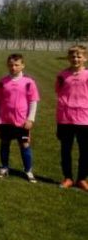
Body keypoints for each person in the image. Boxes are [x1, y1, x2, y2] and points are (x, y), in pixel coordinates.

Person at [0, 53, 39, 182]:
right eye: (11, 65)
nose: (13, 67)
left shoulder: (29, 82)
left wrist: (30, 119)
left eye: (16, 65)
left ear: (23, 65)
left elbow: (33, 101)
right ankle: (4, 167)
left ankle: (28, 170)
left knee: (24, 144)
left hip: (22, 120)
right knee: (4, 143)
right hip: (5, 119)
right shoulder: (2, 82)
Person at [55, 45, 88, 191]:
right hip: (65, 117)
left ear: (85, 58)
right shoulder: (62, 75)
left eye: (79, 56)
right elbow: (58, 91)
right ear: (68, 58)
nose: (76, 59)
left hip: (84, 118)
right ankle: (67, 177)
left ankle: (82, 179)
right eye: (73, 56)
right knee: (65, 149)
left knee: (85, 150)